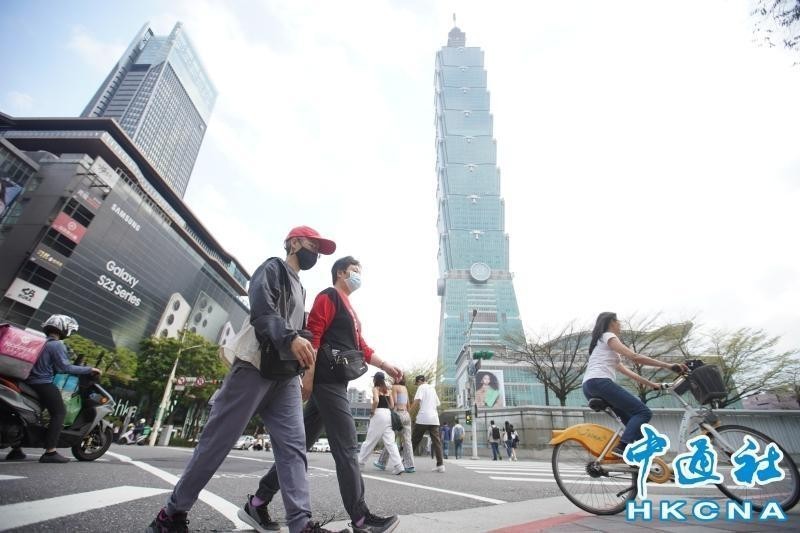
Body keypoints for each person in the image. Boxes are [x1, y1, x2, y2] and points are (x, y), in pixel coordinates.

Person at [148, 226, 343, 533]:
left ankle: (301, 524)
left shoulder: (301, 288)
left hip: (285, 376)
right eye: (312, 245)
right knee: (217, 442)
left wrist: (305, 348)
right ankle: (171, 515)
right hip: (254, 365)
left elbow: (297, 328)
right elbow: (262, 309)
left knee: (293, 448)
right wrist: (290, 338)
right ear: (294, 243)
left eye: (320, 250)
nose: (316, 253)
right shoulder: (272, 268)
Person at [256, 255, 402, 533]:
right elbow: (314, 335)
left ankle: (259, 500)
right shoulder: (329, 296)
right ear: (340, 273)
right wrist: (308, 377)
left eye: (360, 271)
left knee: (298, 447)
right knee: (347, 447)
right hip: (326, 382)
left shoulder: (351, 310)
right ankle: (361, 519)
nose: (358, 275)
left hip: (335, 383)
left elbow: (361, 347)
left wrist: (386, 365)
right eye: (354, 270)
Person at [582, 312, 688, 457]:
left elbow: (629, 373)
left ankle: (640, 458)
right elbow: (635, 357)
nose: (620, 324)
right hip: (600, 382)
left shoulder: (603, 349)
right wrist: (668, 366)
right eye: (618, 321)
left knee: (631, 421)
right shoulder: (608, 336)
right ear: (612, 322)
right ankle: (622, 447)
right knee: (643, 412)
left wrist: (651, 384)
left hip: (590, 386)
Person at [6, 315, 99, 463]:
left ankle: (16, 449)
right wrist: (90, 369)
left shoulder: (41, 343)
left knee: (31, 415)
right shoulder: (57, 345)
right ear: (64, 329)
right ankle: (50, 452)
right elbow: (65, 367)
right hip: (41, 383)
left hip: (26, 381)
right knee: (59, 412)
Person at [357, 372, 404, 476]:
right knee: (391, 442)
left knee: (370, 440)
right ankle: (399, 466)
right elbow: (392, 405)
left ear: (375, 379)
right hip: (388, 415)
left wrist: (372, 411)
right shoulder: (388, 390)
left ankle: (360, 464)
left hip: (378, 414)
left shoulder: (376, 389)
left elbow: (376, 401)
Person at [374, 376, 415, 473]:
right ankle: (410, 466)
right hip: (406, 414)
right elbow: (408, 404)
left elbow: (394, 403)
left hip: (398, 414)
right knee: (407, 441)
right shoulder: (405, 388)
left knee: (390, 439)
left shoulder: (394, 387)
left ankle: (382, 462)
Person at [410, 375, 445, 473]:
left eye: (417, 383)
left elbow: (417, 401)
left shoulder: (421, 387)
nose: (417, 385)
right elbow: (437, 403)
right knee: (437, 442)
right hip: (434, 418)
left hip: (423, 417)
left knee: (414, 440)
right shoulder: (432, 388)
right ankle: (440, 465)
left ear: (420, 381)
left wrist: (409, 412)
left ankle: (405, 461)